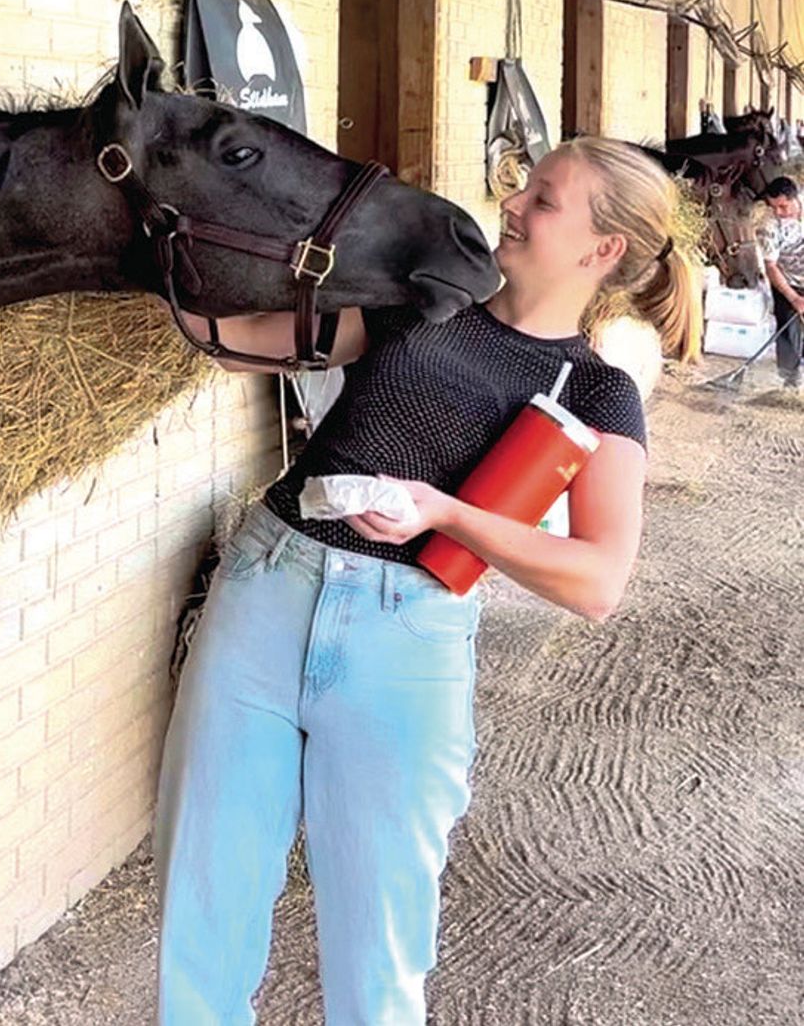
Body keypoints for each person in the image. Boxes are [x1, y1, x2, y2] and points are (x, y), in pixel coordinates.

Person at [155, 137, 701, 1026]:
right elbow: (239, 344)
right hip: (268, 583)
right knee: (203, 911)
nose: (515, 204)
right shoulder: (425, 300)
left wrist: (442, 513)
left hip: (404, 642)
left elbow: (599, 579)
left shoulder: (598, 395)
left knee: (378, 957)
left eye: (546, 200)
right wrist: (170, 279)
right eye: (525, 186)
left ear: (601, 251)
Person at [755, 175, 804, 390]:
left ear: (795, 198)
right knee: (788, 331)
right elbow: (771, 267)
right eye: (773, 207)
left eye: (783, 206)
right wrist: (794, 298)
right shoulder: (769, 225)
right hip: (787, 281)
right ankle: (789, 382)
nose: (778, 212)